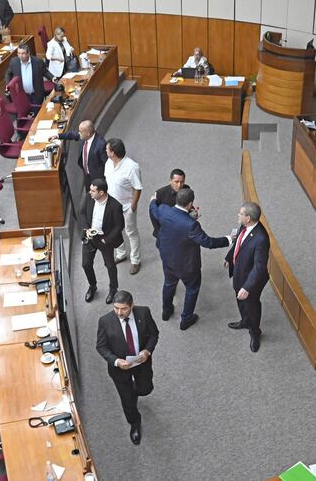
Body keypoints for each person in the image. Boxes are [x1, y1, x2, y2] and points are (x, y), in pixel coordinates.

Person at [149, 188, 231, 330]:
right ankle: (186, 318)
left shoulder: (163, 210)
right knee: (192, 289)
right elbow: (208, 242)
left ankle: (166, 310)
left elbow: (153, 208)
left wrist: (153, 200)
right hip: (188, 265)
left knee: (169, 284)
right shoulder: (191, 224)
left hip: (168, 259)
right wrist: (228, 239)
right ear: (190, 204)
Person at [95, 290, 159, 445]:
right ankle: (134, 423)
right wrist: (116, 361)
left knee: (145, 389)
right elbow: (101, 346)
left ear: (132, 305)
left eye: (123, 308)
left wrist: (147, 351)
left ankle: (135, 389)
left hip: (141, 362)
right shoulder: (105, 321)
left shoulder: (144, 313)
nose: (119, 312)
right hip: (119, 368)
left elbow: (154, 334)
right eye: (116, 308)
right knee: (128, 400)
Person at [224, 202, 270, 353]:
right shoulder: (245, 227)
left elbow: (259, 267)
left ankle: (255, 332)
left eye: (241, 213)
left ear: (248, 218)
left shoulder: (261, 238)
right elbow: (238, 243)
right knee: (240, 300)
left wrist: (247, 287)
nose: (238, 215)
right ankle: (244, 321)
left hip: (251, 281)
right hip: (239, 274)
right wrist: (229, 257)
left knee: (252, 305)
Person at [80, 179, 125, 304]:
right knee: (86, 264)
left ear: (101, 193)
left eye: (93, 190)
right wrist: (87, 229)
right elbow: (82, 213)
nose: (90, 192)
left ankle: (113, 289)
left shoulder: (115, 206)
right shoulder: (89, 198)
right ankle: (92, 286)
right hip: (90, 236)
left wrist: (107, 240)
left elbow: (119, 225)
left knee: (110, 265)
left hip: (104, 239)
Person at [104, 139, 143, 274]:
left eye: (107, 149)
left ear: (113, 152)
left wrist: (132, 208)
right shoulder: (108, 163)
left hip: (126, 207)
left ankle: (135, 260)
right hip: (112, 205)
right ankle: (121, 253)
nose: (105, 151)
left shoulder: (132, 167)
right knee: (115, 230)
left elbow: (138, 188)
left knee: (131, 232)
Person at [53, 120, 106, 192]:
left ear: (88, 133)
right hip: (87, 174)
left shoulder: (101, 144)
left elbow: (106, 163)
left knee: (97, 197)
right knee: (89, 194)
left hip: (97, 178)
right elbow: (72, 135)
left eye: (81, 132)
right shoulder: (84, 137)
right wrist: (58, 136)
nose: (79, 133)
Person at [150, 169, 190, 242]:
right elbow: (154, 214)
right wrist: (159, 233)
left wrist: (192, 213)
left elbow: (188, 206)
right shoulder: (160, 193)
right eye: (176, 182)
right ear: (170, 180)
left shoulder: (186, 188)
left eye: (182, 182)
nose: (179, 185)